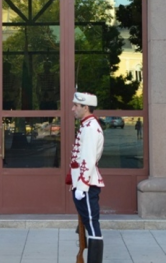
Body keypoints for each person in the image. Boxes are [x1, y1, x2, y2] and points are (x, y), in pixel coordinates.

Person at [69, 92, 105, 263]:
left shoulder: (90, 128)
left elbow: (88, 159)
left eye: (76, 105)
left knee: (92, 225)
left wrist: (82, 187)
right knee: (88, 224)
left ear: (86, 107)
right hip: (83, 184)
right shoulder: (86, 125)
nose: (73, 108)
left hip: (87, 185)